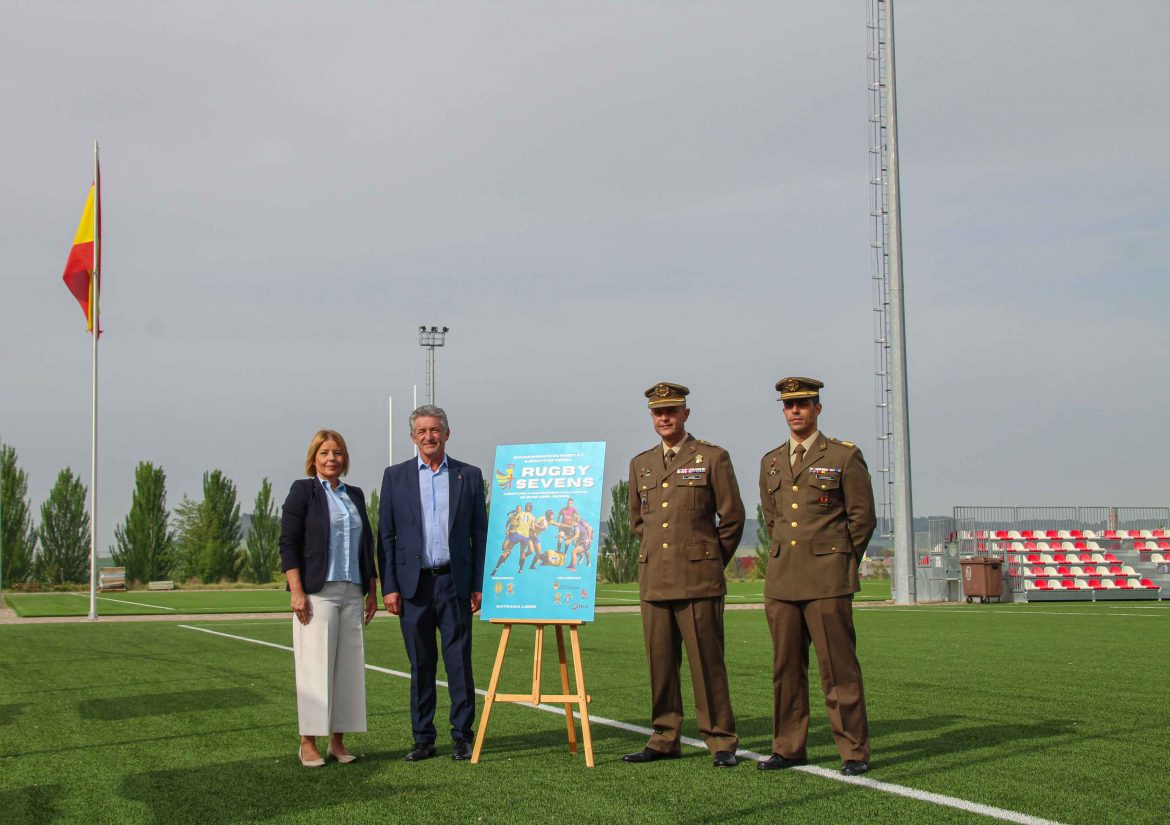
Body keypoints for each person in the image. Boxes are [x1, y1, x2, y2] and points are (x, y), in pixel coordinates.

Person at [756, 377, 877, 777]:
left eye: (803, 404)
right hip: (782, 581)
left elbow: (862, 519)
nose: (796, 411)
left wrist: (839, 561)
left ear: (817, 408)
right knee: (786, 670)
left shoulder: (843, 456)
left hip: (827, 581)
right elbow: (773, 519)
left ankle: (853, 751)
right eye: (789, 404)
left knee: (838, 670)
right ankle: (788, 748)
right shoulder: (771, 461)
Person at [624, 382, 745, 768]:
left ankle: (720, 739)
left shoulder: (712, 457)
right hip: (656, 579)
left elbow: (733, 517)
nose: (664, 418)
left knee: (706, 662)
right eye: (658, 412)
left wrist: (708, 559)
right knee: (660, 662)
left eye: (672, 411)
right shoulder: (641, 464)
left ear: (685, 414)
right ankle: (664, 736)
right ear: (651, 417)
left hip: (698, 580)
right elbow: (638, 521)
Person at [378, 405, 488, 762]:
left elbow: (479, 534)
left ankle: (463, 736)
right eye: (422, 431)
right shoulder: (395, 477)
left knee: (459, 662)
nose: (429, 436)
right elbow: (387, 536)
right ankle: (423, 738)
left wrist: (478, 583)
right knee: (421, 664)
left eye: (435, 430)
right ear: (413, 437)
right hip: (413, 587)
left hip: (454, 583)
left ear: (447, 434)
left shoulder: (468, 476)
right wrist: (390, 587)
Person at [279, 429, 378, 767]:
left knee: (348, 669)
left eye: (336, 453)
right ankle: (308, 741)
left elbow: (367, 546)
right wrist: (296, 591)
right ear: (314, 458)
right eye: (324, 453)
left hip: (353, 591)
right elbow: (288, 544)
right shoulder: (303, 491)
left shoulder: (356, 495)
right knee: (315, 666)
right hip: (316, 593)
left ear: (344, 457)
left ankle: (338, 741)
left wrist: (371, 590)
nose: (331, 458)